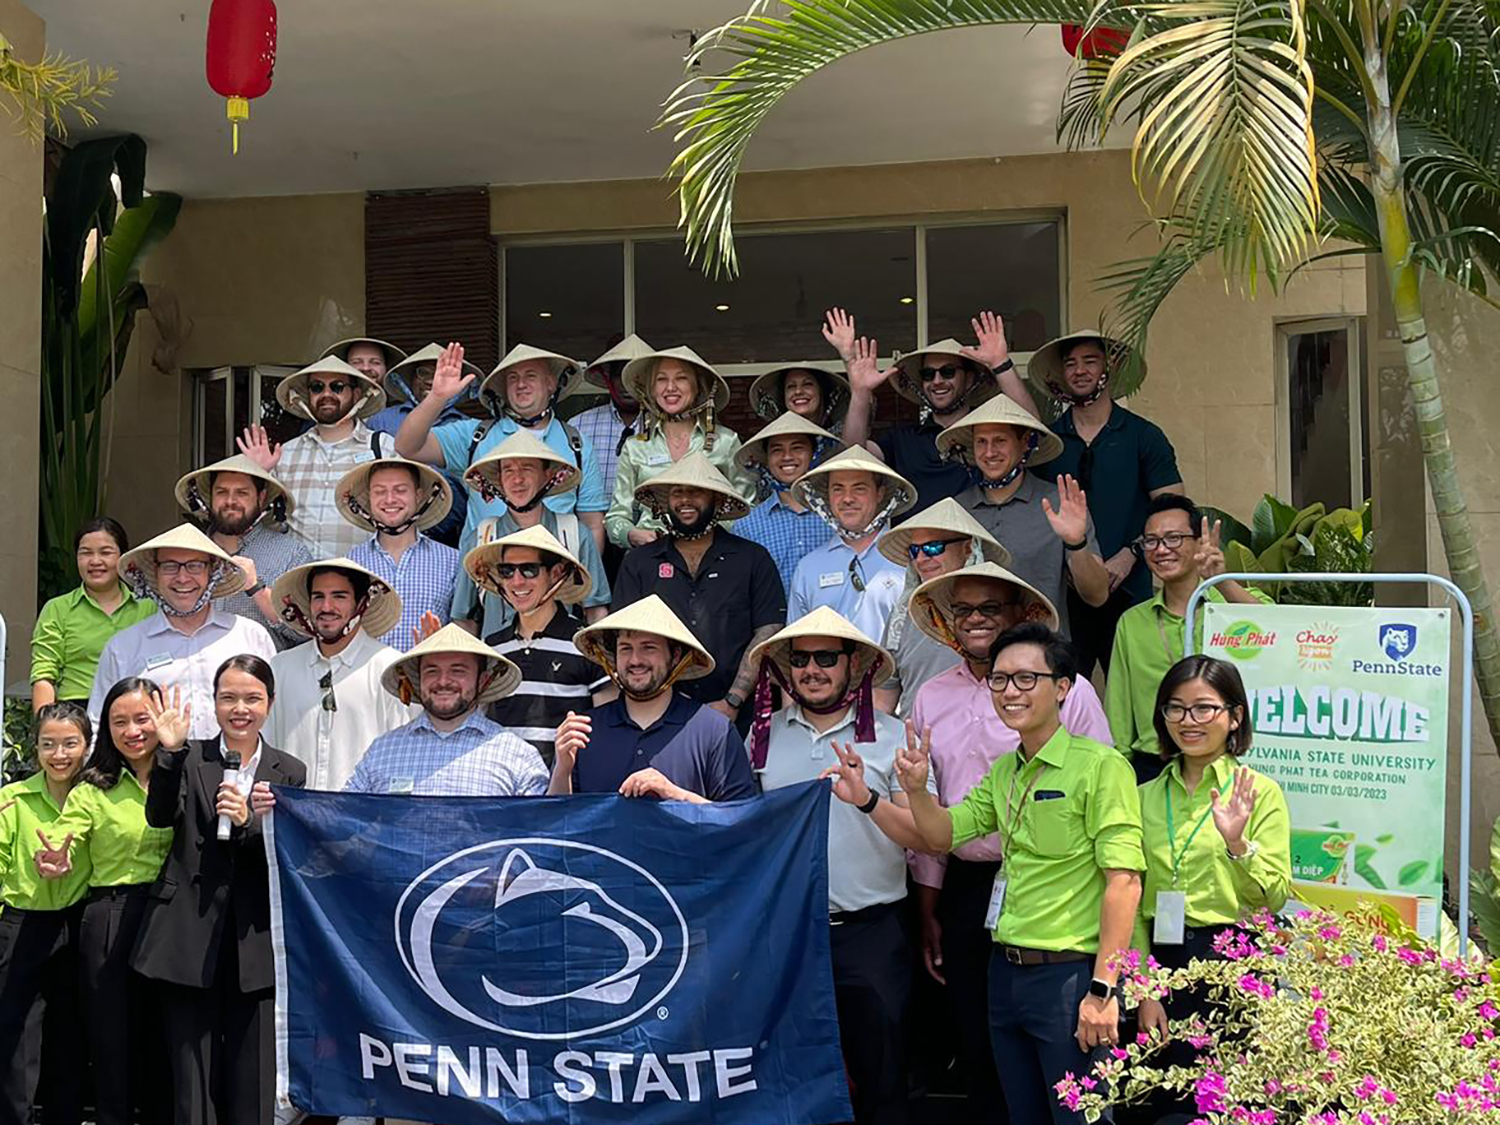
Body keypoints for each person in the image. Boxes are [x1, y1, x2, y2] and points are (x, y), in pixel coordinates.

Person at [894, 623, 1145, 1125]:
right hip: (1004, 973)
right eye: (1000, 679)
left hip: (1069, 977)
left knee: (1082, 1120)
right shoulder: (1007, 771)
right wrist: (918, 791)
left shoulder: (1102, 767)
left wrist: (1103, 989)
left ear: (1064, 688)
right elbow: (944, 835)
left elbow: (1125, 882)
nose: (1010, 691)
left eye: (1027, 678)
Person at [748, 607, 915, 1125]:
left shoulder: (892, 737)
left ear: (854, 664)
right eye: (800, 659)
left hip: (873, 933)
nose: (812, 669)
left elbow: (924, 838)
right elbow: (739, 828)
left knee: (885, 1077)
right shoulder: (760, 737)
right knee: (793, 1079)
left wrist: (867, 799)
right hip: (788, 935)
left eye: (826, 657)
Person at [131, 658, 306, 1125]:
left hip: (255, 944)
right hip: (188, 938)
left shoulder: (288, 770)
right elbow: (159, 816)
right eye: (228, 697)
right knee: (190, 1084)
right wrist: (167, 753)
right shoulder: (189, 758)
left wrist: (251, 825)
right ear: (214, 702)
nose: (240, 709)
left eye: (251, 698)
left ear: (269, 703)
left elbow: (288, 854)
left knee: (254, 1084)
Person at [1132, 656, 1291, 1121]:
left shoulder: (1259, 792)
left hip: (1233, 960)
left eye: (1204, 708)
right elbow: (1132, 896)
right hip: (1160, 957)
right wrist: (1145, 987)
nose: (1188, 721)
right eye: (1175, 709)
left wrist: (1238, 843)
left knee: (1228, 1104)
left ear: (1234, 715)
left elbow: (1274, 895)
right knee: (1159, 1102)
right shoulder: (1143, 795)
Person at [37, 678, 175, 1125]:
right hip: (110, 916)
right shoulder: (93, 788)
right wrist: (54, 855)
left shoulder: (185, 774)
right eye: (120, 721)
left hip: (171, 918)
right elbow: (65, 833)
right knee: (111, 1043)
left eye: (142, 719)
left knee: (164, 1041)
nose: (132, 730)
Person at [1028, 332, 1184, 676]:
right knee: (1062, 697)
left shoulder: (1143, 436)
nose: (1079, 371)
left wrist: (1132, 553)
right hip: (1064, 595)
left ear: (1108, 369)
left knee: (1138, 693)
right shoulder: (1049, 443)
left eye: (1089, 361)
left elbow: (1174, 509)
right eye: (1070, 364)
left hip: (1131, 589)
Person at [611, 451, 786, 726]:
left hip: (738, 715)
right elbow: (623, 639)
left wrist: (733, 700)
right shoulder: (639, 563)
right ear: (664, 501)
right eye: (677, 492)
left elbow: (768, 632)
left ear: (718, 500)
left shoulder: (752, 558)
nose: (685, 500)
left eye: (696, 492)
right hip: (656, 715)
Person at [1106, 495, 1271, 783]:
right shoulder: (1132, 622)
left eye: (1173, 538)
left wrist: (1222, 581)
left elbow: (1279, 635)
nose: (1161, 550)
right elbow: (1118, 713)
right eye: (1151, 541)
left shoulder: (1232, 606)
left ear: (1199, 543)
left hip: (1229, 761)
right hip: (1154, 767)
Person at [393, 341, 609, 561]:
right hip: (484, 572)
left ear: (551, 383)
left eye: (531, 376)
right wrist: (437, 397)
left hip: (555, 574)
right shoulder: (475, 434)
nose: (521, 384)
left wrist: (584, 585)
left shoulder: (576, 443)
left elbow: (592, 524)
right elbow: (407, 447)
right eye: (513, 378)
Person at [826, 308, 1040, 513]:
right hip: (916, 548)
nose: (937, 381)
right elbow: (852, 458)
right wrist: (860, 393)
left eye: (948, 372)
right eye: (928, 374)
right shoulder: (903, 440)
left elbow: (1032, 428)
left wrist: (1001, 363)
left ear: (969, 379)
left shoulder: (987, 436)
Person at [551, 595, 758, 802]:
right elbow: (554, 824)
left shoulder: (714, 731)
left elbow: (741, 823)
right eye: (625, 648)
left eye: (648, 647)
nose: (635, 660)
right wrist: (562, 770)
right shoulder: (583, 731)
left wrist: (675, 794)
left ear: (675, 655)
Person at [939, 394, 1109, 640]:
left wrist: (1076, 542)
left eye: (1000, 440)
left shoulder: (1058, 503)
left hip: (1041, 656)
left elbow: (1097, 595)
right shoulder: (956, 510)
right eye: (981, 442)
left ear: (1025, 443)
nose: (989, 452)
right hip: (971, 658)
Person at [89, 524, 276, 742]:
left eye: (195, 566)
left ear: (212, 571)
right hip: (154, 772)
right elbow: (98, 725)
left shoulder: (249, 636)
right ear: (155, 573)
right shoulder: (124, 646)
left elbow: (276, 715)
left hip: (236, 771)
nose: (182, 578)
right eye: (170, 566)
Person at [0, 703, 91, 1125]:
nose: (59, 755)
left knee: (70, 1038)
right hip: (22, 926)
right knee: (18, 1039)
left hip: (77, 924)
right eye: (48, 744)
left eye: (70, 743)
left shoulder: (96, 797)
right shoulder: (11, 800)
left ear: (87, 746)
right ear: (34, 748)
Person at [465, 524, 612, 767]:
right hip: (504, 785)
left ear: (556, 574)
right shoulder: (492, 646)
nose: (517, 581)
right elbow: (478, 721)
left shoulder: (587, 644)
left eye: (529, 570)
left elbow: (606, 724)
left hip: (567, 789)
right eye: (506, 571)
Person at [344, 624, 546, 796]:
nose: (443, 681)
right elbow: (342, 818)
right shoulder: (382, 751)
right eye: (432, 671)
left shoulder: (518, 756)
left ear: (483, 680)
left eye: (458, 671)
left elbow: (541, 829)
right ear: (418, 680)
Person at [265, 559, 414, 790]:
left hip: (361, 817)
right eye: (318, 596)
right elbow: (266, 750)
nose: (326, 607)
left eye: (339, 596)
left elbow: (402, 758)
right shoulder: (281, 668)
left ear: (361, 604)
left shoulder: (389, 668)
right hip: (292, 815)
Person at [452, 428, 612, 638]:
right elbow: (464, 619)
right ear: (499, 480)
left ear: (547, 475)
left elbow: (595, 610)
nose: (517, 479)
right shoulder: (480, 538)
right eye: (508, 470)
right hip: (498, 662)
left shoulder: (574, 533)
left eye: (527, 468)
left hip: (561, 661)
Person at [237, 355, 393, 560]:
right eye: (317, 387)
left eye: (337, 386)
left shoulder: (384, 449)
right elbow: (265, 521)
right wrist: (259, 475)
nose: (326, 394)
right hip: (296, 579)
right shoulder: (285, 453)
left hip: (361, 578)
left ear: (356, 395)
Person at [605, 345, 755, 549]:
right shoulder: (635, 447)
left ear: (697, 387)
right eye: (661, 379)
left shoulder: (726, 442)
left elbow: (748, 509)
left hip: (715, 555)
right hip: (652, 556)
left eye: (681, 378)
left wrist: (711, 533)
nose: (670, 387)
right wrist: (632, 534)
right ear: (651, 388)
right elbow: (617, 516)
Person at [872, 499, 1011, 718]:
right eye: (914, 550)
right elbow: (883, 697)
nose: (921, 558)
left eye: (933, 548)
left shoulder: (1001, 611)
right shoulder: (901, 614)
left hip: (988, 745)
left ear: (967, 548)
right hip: (914, 746)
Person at [174, 453, 313, 649]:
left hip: (262, 674)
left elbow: (307, 633)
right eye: (222, 492)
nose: (230, 501)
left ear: (261, 497)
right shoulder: (185, 551)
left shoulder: (290, 553)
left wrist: (257, 589)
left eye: (242, 493)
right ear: (210, 497)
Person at [351, 340, 475, 549]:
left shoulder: (468, 428)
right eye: (422, 373)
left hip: (452, 535)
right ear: (408, 379)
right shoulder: (381, 420)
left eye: (439, 372)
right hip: (387, 532)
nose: (432, 380)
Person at [788, 446, 915, 641]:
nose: (847, 499)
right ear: (827, 497)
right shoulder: (808, 567)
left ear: (880, 493)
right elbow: (797, 640)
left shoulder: (910, 559)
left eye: (859, 488)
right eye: (838, 489)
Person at [31, 517, 155, 711]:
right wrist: (47, 728)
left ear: (123, 557)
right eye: (85, 553)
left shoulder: (148, 608)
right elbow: (44, 675)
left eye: (106, 552)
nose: (95, 561)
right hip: (76, 712)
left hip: (135, 711)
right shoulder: (57, 609)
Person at [339, 457, 459, 651]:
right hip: (366, 677)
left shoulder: (451, 560)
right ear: (369, 498)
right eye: (380, 492)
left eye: (400, 490)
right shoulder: (351, 564)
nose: (390, 499)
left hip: (428, 675)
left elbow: (464, 626)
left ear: (418, 496)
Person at [732, 412, 845, 595]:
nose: (787, 457)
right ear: (766, 459)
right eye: (777, 450)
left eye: (797, 448)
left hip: (836, 620)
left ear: (814, 453)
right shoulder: (747, 525)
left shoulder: (839, 515)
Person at [747, 361, 851, 437]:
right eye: (791, 386)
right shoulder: (770, 439)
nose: (798, 391)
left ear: (821, 391)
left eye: (807, 384)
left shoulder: (842, 439)